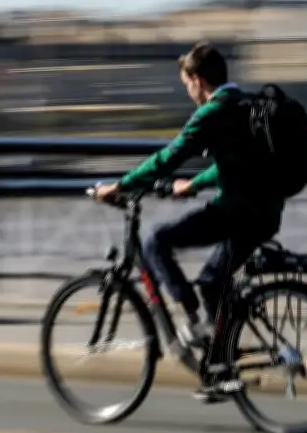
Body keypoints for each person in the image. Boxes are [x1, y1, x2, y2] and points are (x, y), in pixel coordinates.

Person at [94, 42, 287, 396]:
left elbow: (168, 157)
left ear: (198, 80)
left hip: (237, 214)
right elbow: (238, 166)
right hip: (266, 212)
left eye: (186, 83)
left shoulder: (213, 112)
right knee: (214, 281)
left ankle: (197, 324)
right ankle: (218, 365)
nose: (187, 91)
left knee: (156, 241)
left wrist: (120, 186)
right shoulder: (247, 104)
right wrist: (195, 183)